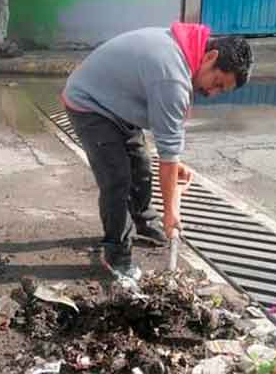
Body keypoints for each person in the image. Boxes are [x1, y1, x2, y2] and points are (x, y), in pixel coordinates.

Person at [61, 22, 253, 279]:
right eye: (217, 82)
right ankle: (116, 253)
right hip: (90, 103)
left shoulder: (185, 53)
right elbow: (168, 152)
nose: (212, 92)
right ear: (210, 56)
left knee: (140, 166)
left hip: (118, 103)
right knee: (117, 178)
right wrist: (171, 212)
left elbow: (168, 142)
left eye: (221, 90)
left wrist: (173, 163)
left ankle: (143, 220)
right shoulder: (172, 75)